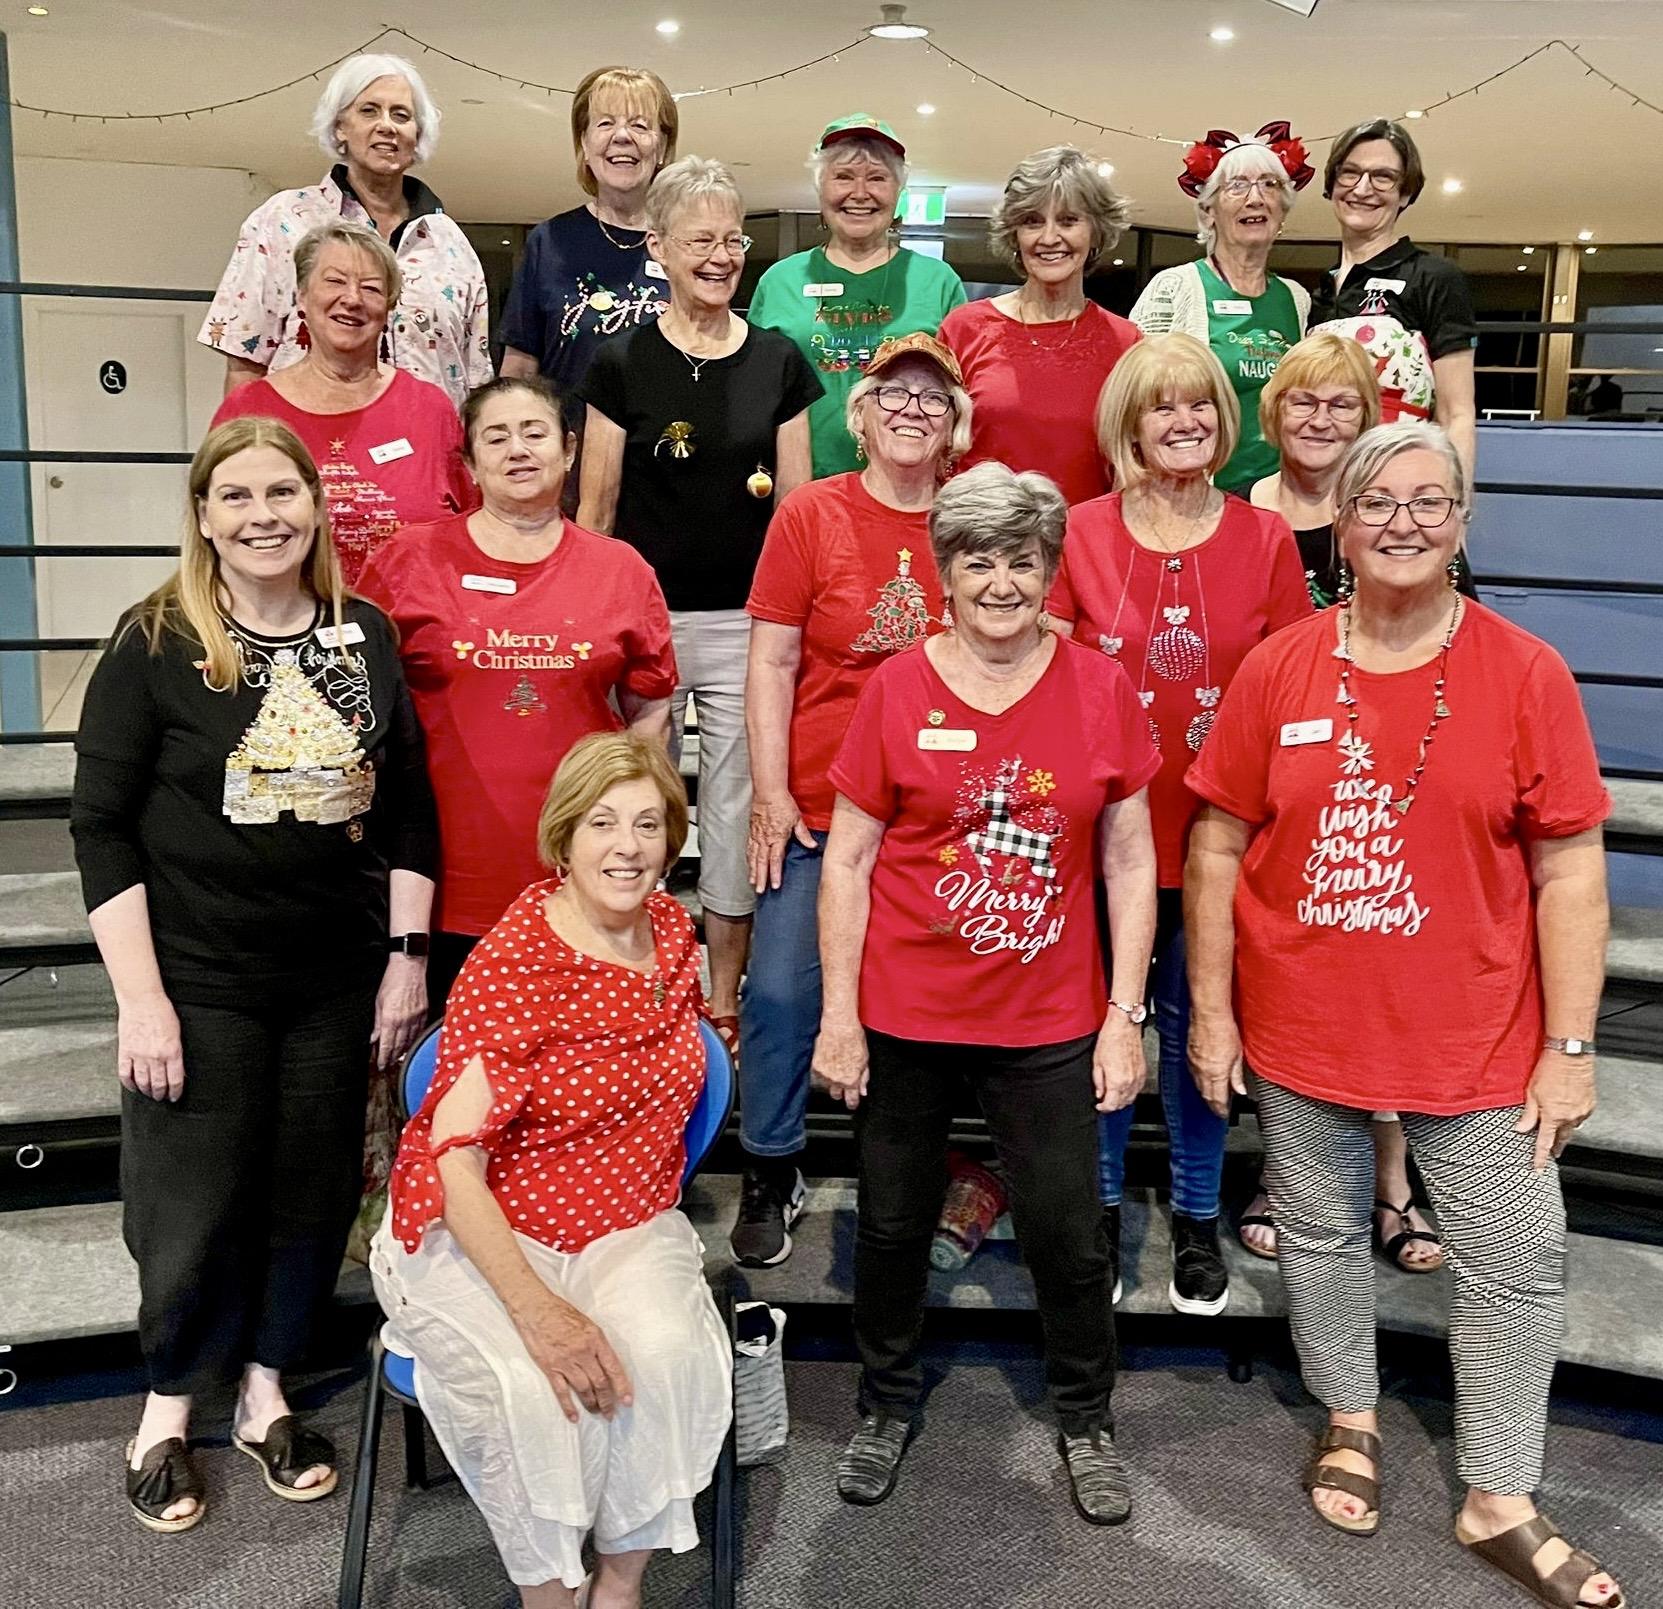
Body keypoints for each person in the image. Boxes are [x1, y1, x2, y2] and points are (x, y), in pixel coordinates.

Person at [1183, 421, 1624, 1608]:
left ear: (1463, 523)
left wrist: (1571, 1046)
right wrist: (1212, 1011)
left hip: (1477, 1036)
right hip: (1303, 1024)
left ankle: (1500, 1495)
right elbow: (1216, 845)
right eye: (1378, 502)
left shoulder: (1525, 672)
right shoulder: (1279, 667)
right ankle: (1352, 1416)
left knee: (1515, 1260)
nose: (1403, 524)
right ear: (1342, 523)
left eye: (1431, 502)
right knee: (1321, 1237)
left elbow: (1571, 868)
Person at [71, 417, 437, 1534]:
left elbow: (410, 809)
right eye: (236, 496)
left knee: (308, 1193)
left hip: (332, 977)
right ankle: (169, 1405)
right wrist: (142, 1000)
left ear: (316, 507)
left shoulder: (363, 637)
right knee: (191, 1204)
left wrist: (405, 962)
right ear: (203, 515)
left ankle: (267, 1391)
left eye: (283, 492)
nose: (263, 515)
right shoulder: (154, 640)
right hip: (197, 980)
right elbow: (101, 828)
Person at [813, 462, 1160, 1522]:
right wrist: (838, 1015)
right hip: (904, 1011)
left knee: (1066, 1230)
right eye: (979, 561)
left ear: (1051, 571)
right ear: (945, 573)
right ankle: (885, 1400)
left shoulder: (1099, 688)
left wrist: (1124, 1014)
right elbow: (848, 860)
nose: (1002, 582)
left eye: (1022, 560)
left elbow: (1130, 860)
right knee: (890, 1225)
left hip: (1048, 1016)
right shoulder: (895, 688)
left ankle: (1086, 1416)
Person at [372, 732, 732, 1608]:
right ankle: (547, 1594)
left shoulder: (672, 931)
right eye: (602, 823)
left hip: (625, 1217)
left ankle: (617, 1585)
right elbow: (455, 1165)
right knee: (535, 1392)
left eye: (648, 823)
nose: (628, 846)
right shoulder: (516, 962)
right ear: (563, 837)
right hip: (486, 1222)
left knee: (664, 1353)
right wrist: (538, 1311)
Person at [1046, 333, 1311, 1316]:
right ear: (1129, 422)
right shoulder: (1079, 532)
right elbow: (1048, 677)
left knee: (1204, 1029)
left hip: (1223, 838)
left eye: (1199, 404)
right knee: (1107, 1030)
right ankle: (1104, 1207)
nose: (1184, 421)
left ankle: (1197, 1214)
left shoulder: (1265, 538)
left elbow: (1292, 689)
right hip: (1104, 839)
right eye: (1161, 406)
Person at [730, 331, 970, 1266]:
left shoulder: (972, 517)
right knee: (780, 993)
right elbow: (772, 660)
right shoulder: (811, 514)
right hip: (820, 808)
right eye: (893, 394)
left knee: (917, 1009)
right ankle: (770, 1163)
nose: (912, 409)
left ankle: (909, 1171)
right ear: (860, 416)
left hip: (935, 817)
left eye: (932, 397)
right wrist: (770, 793)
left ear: (955, 424)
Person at [1238, 333, 1474, 1266]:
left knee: (1381, 976)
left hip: (1389, 767)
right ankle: (1285, 1174)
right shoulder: (1242, 509)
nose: (1320, 418)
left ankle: (1390, 1183)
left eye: (1341, 403)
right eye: (1302, 400)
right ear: (1273, 411)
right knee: (1295, 987)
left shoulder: (1408, 516)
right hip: (1282, 759)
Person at [577, 157, 822, 1043]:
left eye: (732, 240)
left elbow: (796, 513)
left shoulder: (778, 360)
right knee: (634, 809)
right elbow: (596, 512)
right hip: (644, 628)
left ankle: (721, 1002)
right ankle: (633, 985)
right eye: (699, 241)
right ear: (659, 248)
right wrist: (598, 629)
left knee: (732, 815)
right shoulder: (621, 360)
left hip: (748, 630)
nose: (720, 257)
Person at [361, 377, 677, 1013]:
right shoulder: (406, 561)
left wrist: (639, 836)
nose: (518, 450)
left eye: (534, 433)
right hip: (439, 885)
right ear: (469, 461)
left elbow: (650, 711)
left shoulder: (621, 570)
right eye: (496, 437)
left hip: (581, 881)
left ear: (569, 449)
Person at [200, 53, 489, 408]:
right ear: (340, 127)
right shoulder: (281, 221)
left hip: (428, 440)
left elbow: (475, 382)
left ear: (418, 134)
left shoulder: (450, 243)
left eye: (401, 115)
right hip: (305, 439)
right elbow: (245, 365)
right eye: (369, 111)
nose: (387, 126)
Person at [212, 222, 475, 586]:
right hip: (290, 617)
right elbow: (217, 528)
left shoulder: (429, 408)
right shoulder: (250, 409)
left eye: (371, 288)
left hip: (413, 618)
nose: (352, 298)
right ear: (302, 297)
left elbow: (470, 527)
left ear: (389, 308)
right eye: (335, 281)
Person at [749, 114, 967, 480]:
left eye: (877, 178)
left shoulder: (938, 282)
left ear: (898, 192)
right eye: (844, 177)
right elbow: (754, 396)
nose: (860, 193)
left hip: (910, 489)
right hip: (800, 487)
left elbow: (959, 400)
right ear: (820, 189)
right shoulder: (780, 282)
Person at [500, 65, 680, 502]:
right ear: (583, 143)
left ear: (662, 147)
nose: (622, 137)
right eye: (605, 123)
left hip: (668, 478)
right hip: (567, 482)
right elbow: (519, 373)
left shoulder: (685, 243)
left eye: (640, 125)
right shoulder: (549, 242)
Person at [937, 146, 1139, 505]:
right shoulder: (964, 329)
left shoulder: (1128, 343)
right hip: (979, 534)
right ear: (1014, 233)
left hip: (1084, 536)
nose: (1048, 238)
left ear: (1096, 231)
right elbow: (935, 451)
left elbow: (1133, 467)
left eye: (1068, 220)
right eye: (1032, 221)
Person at [1129, 122, 1315, 496]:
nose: (1255, 198)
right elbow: (1134, 397)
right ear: (1209, 209)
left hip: (1277, 497)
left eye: (1269, 185)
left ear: (1283, 209)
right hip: (1194, 494)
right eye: (1237, 186)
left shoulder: (1296, 298)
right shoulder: (1175, 287)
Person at [1310, 118, 1480, 479]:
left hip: (1398, 485)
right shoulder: (1319, 292)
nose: (1362, 188)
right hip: (1319, 486)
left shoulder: (1433, 277)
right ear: (1332, 184)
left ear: (1405, 193)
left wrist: (1454, 501)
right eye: (1350, 173)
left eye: (1383, 177)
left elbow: (1457, 414)